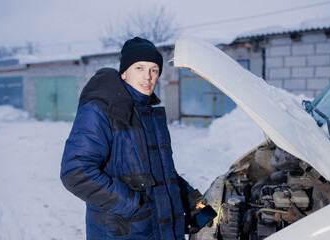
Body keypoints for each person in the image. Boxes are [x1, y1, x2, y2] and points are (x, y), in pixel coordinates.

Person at [60, 37, 216, 240]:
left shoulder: (148, 115)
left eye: (154, 70)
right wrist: (133, 204)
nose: (148, 76)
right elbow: (76, 172)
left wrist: (197, 205)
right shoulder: (100, 110)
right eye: (139, 68)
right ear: (124, 73)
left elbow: (163, 175)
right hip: (124, 231)